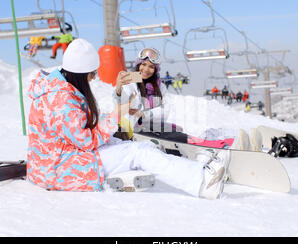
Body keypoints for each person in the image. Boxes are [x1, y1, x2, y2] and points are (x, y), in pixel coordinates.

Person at [27, 39, 230, 200]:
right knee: (138, 152)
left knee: (124, 145)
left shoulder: (57, 89)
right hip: (60, 168)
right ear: (80, 73)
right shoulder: (62, 99)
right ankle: (203, 182)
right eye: (92, 73)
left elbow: (79, 134)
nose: (94, 78)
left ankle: (198, 160)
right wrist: (119, 111)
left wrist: (123, 115)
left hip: (54, 163)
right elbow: (86, 141)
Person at [113, 47, 235, 149]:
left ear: (155, 70)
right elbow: (123, 102)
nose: (146, 69)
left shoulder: (159, 86)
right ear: (138, 65)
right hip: (132, 131)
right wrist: (119, 90)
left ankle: (215, 144)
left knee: (175, 133)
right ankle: (213, 146)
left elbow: (165, 111)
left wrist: (143, 114)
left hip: (151, 125)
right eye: (143, 64)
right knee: (173, 136)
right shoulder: (131, 81)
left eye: (151, 67)